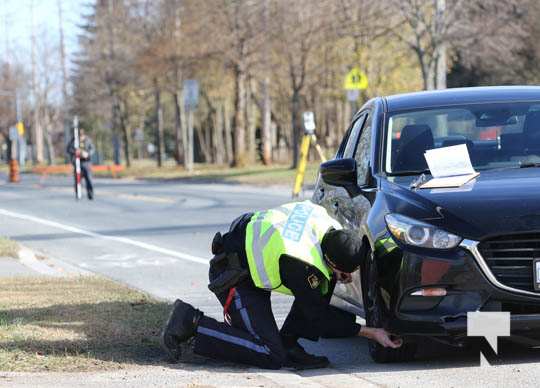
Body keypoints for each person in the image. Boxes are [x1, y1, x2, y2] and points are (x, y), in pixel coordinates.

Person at [161, 200, 402, 370]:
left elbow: (316, 297)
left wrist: (335, 274)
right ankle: (191, 322)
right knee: (269, 353)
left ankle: (289, 345)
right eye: (343, 272)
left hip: (251, 256)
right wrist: (371, 332)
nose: (345, 276)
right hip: (233, 275)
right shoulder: (303, 264)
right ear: (331, 261)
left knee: (321, 288)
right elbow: (320, 319)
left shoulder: (329, 226)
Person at [67, 128, 94, 200]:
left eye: (82, 136)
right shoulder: (74, 141)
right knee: (77, 180)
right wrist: (75, 152)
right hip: (77, 163)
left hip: (86, 162)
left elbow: (92, 149)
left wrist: (87, 154)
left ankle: (90, 194)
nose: (80, 137)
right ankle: (78, 193)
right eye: (79, 136)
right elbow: (68, 149)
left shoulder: (88, 140)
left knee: (89, 179)